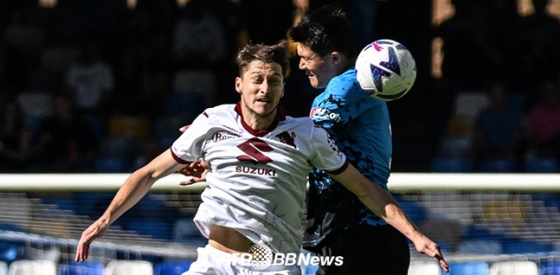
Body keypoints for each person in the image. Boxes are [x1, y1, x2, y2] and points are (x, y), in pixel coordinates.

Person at [76, 41, 448, 274]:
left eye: (273, 80)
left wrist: (415, 235)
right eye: (256, 79)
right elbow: (149, 173)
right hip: (216, 263)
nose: (264, 88)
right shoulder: (210, 122)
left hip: (274, 267)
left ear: (285, 87)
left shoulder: (308, 135)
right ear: (240, 84)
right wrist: (105, 220)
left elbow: (366, 191)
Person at [288, 5, 418, 274]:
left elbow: (303, 141)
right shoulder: (355, 86)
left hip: (362, 239)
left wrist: (236, 147)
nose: (300, 65)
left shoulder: (348, 86)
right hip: (353, 237)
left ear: (334, 58)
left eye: (306, 58)